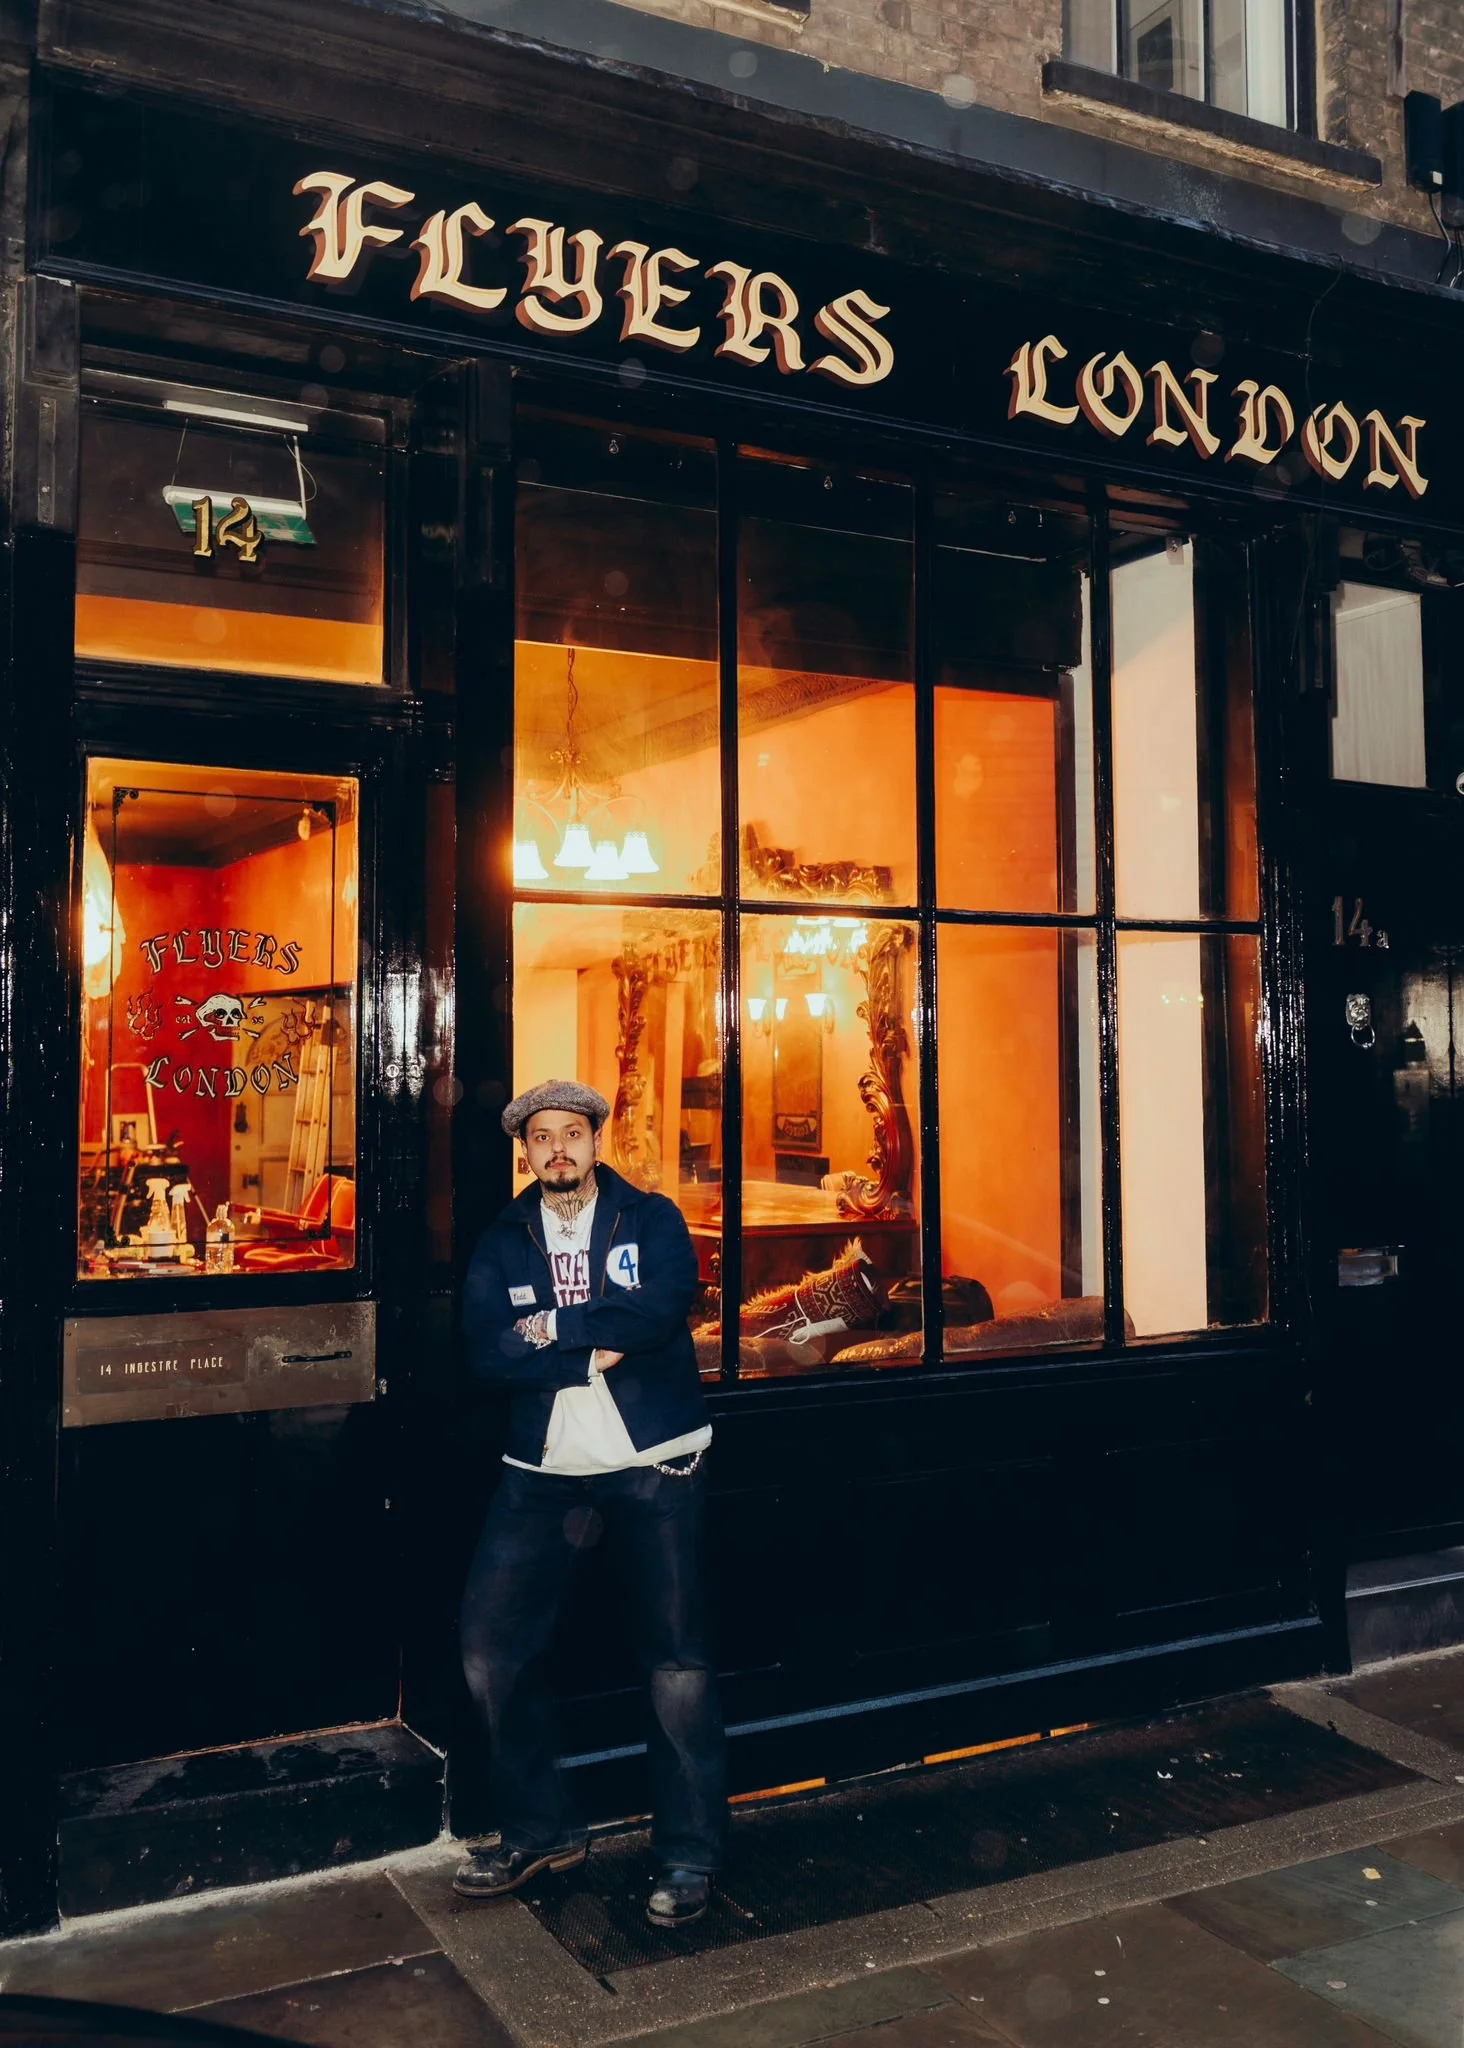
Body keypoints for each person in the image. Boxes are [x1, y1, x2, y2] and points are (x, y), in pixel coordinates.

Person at [456, 1078, 725, 1928]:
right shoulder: (502, 1238)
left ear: (596, 1142)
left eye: (573, 1133)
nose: (558, 1149)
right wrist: (586, 1346)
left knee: (675, 1665)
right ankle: (540, 1831)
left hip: (656, 1465)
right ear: (526, 1152)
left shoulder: (651, 1220)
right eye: (542, 1137)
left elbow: (659, 1307)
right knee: (490, 1650)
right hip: (542, 1471)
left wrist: (552, 1327)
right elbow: (485, 1348)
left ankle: (687, 1854)